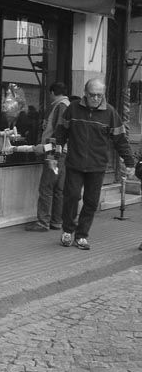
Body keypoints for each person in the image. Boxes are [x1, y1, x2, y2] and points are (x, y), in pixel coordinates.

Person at [55, 78, 136, 250]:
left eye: (100, 95)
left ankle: (82, 235)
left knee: (91, 201)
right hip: (75, 163)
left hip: (97, 165)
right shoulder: (73, 109)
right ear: (85, 93)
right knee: (72, 196)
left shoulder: (110, 113)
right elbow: (60, 133)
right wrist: (53, 155)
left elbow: (120, 140)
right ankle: (68, 230)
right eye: (92, 95)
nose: (96, 99)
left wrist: (129, 162)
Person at [25, 82, 70, 232]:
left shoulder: (60, 107)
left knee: (46, 187)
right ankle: (57, 221)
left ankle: (43, 222)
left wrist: (45, 148)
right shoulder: (68, 105)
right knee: (58, 189)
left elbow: (58, 134)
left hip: (54, 154)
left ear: (52, 92)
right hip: (62, 152)